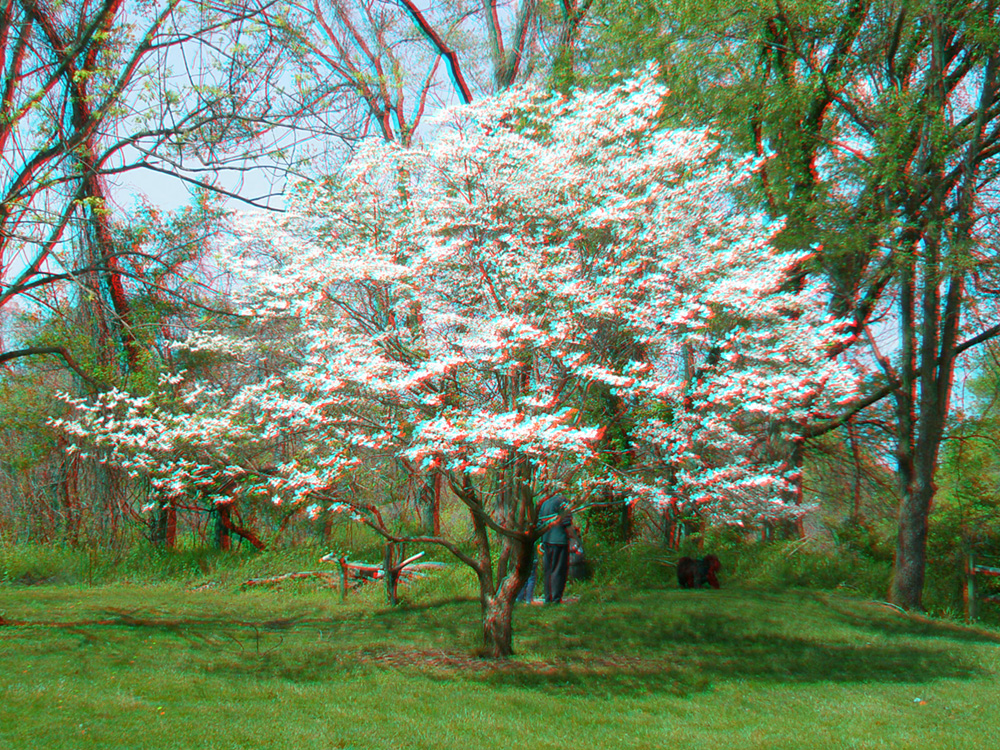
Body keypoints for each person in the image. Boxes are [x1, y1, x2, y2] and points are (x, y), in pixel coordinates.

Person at [537, 492, 577, 604]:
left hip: (546, 540)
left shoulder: (545, 503)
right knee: (559, 570)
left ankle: (548, 598)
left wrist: (541, 541)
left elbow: (540, 522)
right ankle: (556, 599)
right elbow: (567, 523)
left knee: (548, 570)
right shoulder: (563, 503)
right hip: (559, 541)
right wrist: (575, 540)